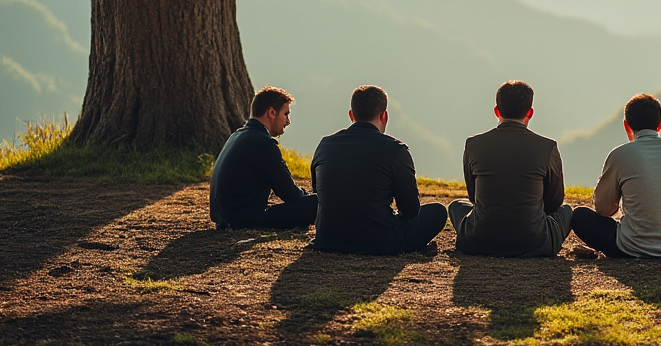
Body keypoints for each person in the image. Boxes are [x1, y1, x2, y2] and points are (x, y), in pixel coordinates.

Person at [310, 85, 447, 254]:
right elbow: (411, 210)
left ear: (351, 115)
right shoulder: (396, 150)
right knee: (438, 212)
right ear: (384, 115)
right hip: (380, 242)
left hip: (328, 240)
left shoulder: (325, 145)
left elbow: (318, 190)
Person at [448, 81, 573, 257]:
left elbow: (473, 197)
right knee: (566, 210)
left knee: (456, 206)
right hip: (535, 242)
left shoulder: (473, 145)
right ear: (530, 113)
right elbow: (555, 202)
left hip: (478, 239)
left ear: (496, 111)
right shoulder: (547, 147)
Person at [571, 93, 661, 258]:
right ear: (659, 126)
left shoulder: (620, 154)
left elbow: (603, 208)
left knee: (580, 216)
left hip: (634, 247)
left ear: (626, 125)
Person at [209, 86, 318, 230]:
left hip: (224, 218)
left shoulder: (237, 135)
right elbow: (290, 193)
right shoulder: (264, 143)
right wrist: (309, 197)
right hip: (244, 220)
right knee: (320, 201)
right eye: (286, 114)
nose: (288, 121)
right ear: (272, 112)